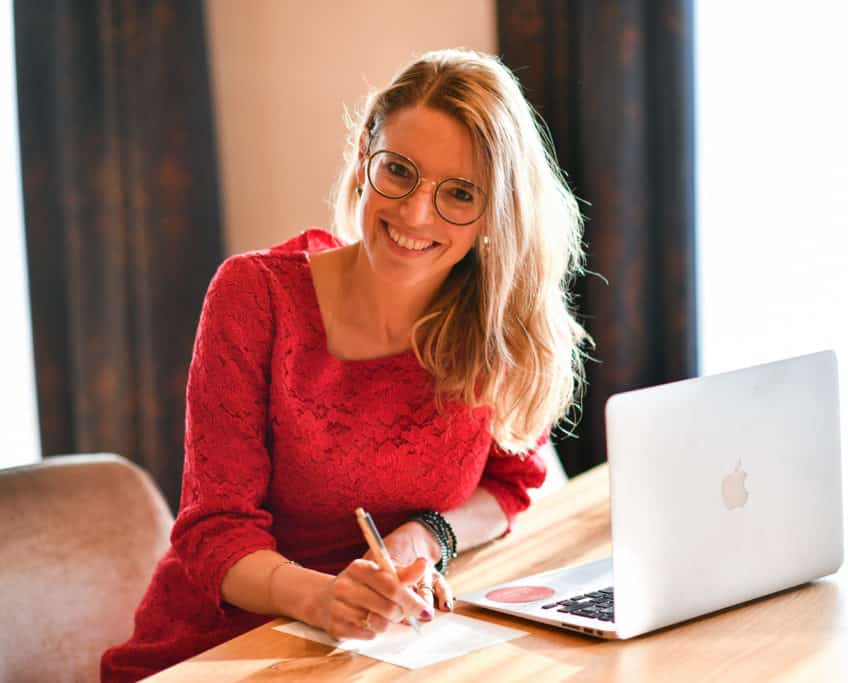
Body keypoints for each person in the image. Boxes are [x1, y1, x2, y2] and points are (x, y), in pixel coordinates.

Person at [101, 48, 589, 681]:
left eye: (459, 194)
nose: (416, 213)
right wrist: (323, 597)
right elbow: (214, 532)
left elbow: (510, 482)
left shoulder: (492, 321)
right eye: (400, 171)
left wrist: (425, 536)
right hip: (222, 652)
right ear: (365, 157)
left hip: (380, 654)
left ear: (495, 210)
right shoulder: (256, 298)